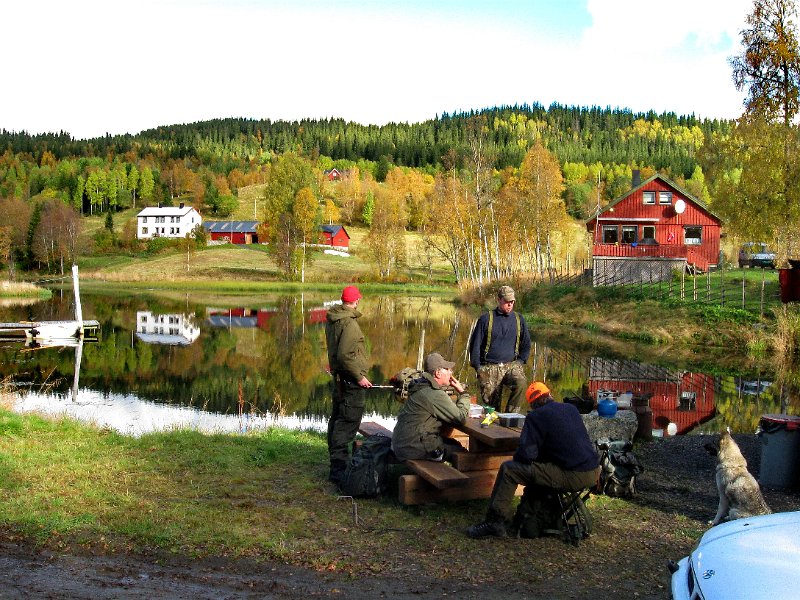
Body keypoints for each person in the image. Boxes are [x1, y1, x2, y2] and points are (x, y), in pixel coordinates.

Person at [467, 381, 600, 539]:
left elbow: (526, 455)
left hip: (572, 475)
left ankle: (494, 521)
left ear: (533, 404)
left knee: (509, 470)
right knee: (539, 469)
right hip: (594, 472)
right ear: (549, 394)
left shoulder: (536, 416)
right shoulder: (570, 409)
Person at [325, 285, 372, 485]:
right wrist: (359, 377)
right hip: (351, 381)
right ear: (356, 301)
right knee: (347, 423)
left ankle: (336, 466)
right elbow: (345, 355)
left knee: (337, 420)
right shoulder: (350, 324)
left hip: (340, 379)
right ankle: (339, 471)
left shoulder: (334, 319)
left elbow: (337, 353)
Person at [392, 353, 471, 463]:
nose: (451, 372)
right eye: (447, 369)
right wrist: (463, 393)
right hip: (414, 448)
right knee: (463, 453)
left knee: (454, 444)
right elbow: (461, 417)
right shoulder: (433, 393)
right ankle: (457, 480)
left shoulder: (421, 386)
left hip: (402, 443)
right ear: (438, 373)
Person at [468, 285, 531, 413]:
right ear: (499, 300)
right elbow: (474, 345)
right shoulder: (486, 319)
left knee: (521, 383)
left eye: (512, 302)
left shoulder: (519, 319)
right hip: (489, 367)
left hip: (511, 365)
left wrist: (520, 361)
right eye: (507, 301)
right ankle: (493, 426)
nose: (510, 304)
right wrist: (479, 368)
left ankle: (510, 417)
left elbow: (526, 344)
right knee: (492, 409)